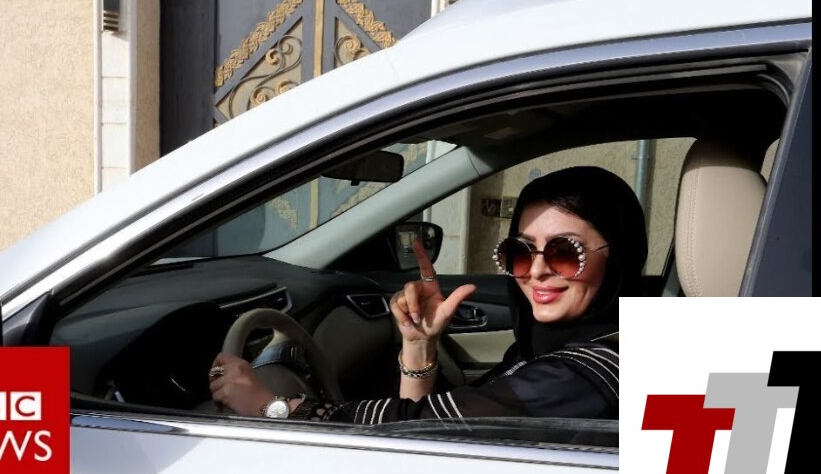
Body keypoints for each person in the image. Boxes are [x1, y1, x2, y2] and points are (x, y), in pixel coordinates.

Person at [208, 166, 647, 423]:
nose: (535, 271)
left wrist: (272, 406)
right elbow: (438, 428)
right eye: (519, 251)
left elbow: (414, 425)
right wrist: (419, 346)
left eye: (565, 252)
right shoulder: (550, 349)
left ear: (618, 257)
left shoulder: (597, 371)